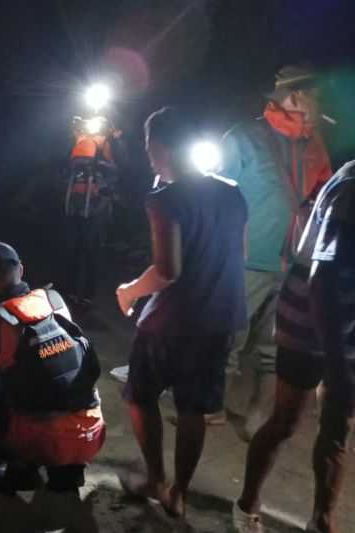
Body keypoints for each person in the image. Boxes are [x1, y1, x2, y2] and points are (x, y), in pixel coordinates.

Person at [115, 107, 248, 518]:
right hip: (221, 317)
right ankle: (180, 492)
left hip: (173, 323)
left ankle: (156, 477)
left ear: (159, 147)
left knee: (139, 395)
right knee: (194, 408)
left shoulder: (165, 200)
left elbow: (167, 271)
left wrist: (129, 291)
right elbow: (239, 254)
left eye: (149, 146)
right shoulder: (232, 192)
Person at [232, 161, 355, 533]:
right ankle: (246, 502)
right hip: (310, 317)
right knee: (286, 421)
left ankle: (321, 522)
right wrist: (335, 362)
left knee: (337, 428)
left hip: (348, 320)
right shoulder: (351, 189)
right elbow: (322, 279)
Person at [0, 241, 106, 494]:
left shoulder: (0, 324)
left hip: (47, 442)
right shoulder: (53, 299)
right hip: (91, 433)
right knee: (50, 379)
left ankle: (20, 470)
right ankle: (68, 470)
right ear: (21, 271)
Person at [220, 65, 333, 434]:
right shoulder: (244, 138)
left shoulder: (315, 147)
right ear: (294, 97)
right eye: (314, 95)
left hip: (292, 265)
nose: (319, 104)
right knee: (227, 339)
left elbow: (324, 197)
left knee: (274, 350)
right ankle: (208, 407)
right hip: (245, 260)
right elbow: (214, 196)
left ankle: (258, 420)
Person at [62, 116, 119, 306]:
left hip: (95, 206)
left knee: (90, 250)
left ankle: (87, 294)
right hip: (74, 204)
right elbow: (65, 166)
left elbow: (115, 171)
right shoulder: (78, 141)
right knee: (71, 248)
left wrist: (101, 175)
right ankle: (68, 290)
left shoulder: (105, 144)